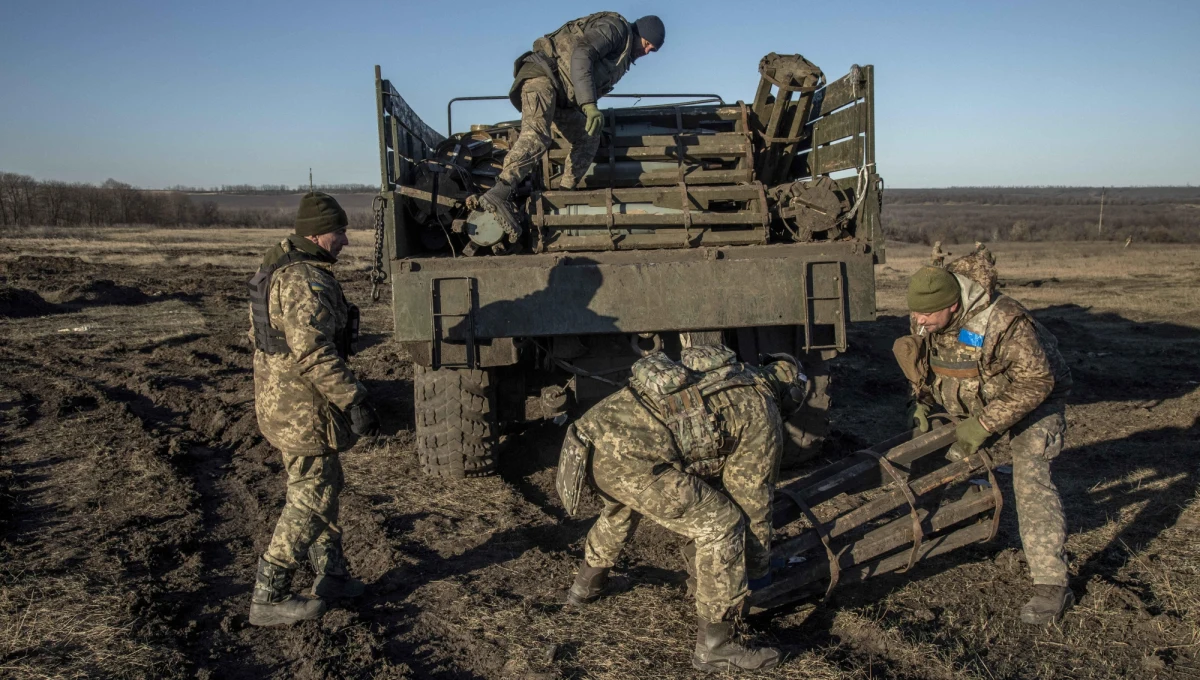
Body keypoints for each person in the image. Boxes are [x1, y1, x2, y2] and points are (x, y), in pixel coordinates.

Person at [557, 345, 806, 673]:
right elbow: (753, 503)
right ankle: (716, 647)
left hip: (593, 438)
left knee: (624, 505)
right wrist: (757, 575)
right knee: (723, 523)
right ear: (788, 397)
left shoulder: (726, 374)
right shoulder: (761, 407)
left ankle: (586, 587)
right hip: (632, 458)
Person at [893, 251, 1075, 625]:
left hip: (1032, 401)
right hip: (971, 398)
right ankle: (929, 528)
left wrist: (983, 427)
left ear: (954, 306)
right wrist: (922, 403)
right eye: (916, 314)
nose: (920, 321)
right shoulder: (925, 318)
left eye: (927, 315)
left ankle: (1051, 584)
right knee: (923, 453)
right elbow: (926, 366)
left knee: (1030, 479)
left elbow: (1038, 381)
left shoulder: (1005, 321)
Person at [246, 192, 380, 626]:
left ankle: (333, 576)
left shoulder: (280, 267)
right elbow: (315, 354)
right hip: (304, 408)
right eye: (339, 231)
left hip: (283, 402)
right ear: (316, 234)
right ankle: (270, 592)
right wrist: (354, 398)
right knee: (311, 495)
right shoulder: (305, 279)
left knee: (325, 484)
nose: (345, 239)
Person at [468, 13, 665, 229]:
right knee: (537, 136)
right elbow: (582, 53)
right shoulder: (615, 29)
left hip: (561, 97)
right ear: (640, 33)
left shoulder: (624, 52)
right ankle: (500, 191)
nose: (646, 52)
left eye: (652, 51)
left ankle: (563, 194)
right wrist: (589, 105)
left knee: (589, 136)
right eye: (647, 45)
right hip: (542, 78)